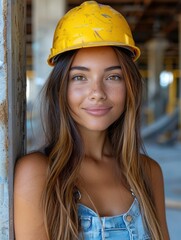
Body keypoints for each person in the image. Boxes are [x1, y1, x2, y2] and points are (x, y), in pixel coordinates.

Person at [14, 1, 170, 240]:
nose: (97, 92)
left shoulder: (148, 173)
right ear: (61, 88)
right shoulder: (38, 174)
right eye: (80, 77)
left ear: (130, 87)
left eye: (113, 76)